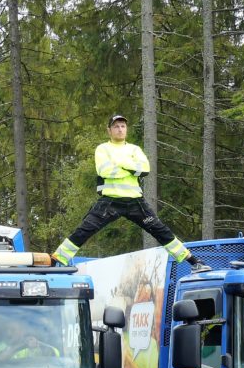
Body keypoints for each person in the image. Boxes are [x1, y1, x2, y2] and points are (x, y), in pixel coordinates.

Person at [51, 115, 210, 273]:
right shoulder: (103, 149)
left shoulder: (135, 149)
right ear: (109, 130)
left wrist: (119, 162)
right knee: (85, 229)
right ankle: (55, 261)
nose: (120, 129)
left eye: (123, 126)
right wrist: (131, 167)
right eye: (116, 126)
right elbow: (104, 171)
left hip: (135, 202)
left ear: (126, 129)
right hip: (110, 202)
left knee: (161, 231)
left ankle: (194, 262)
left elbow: (145, 170)